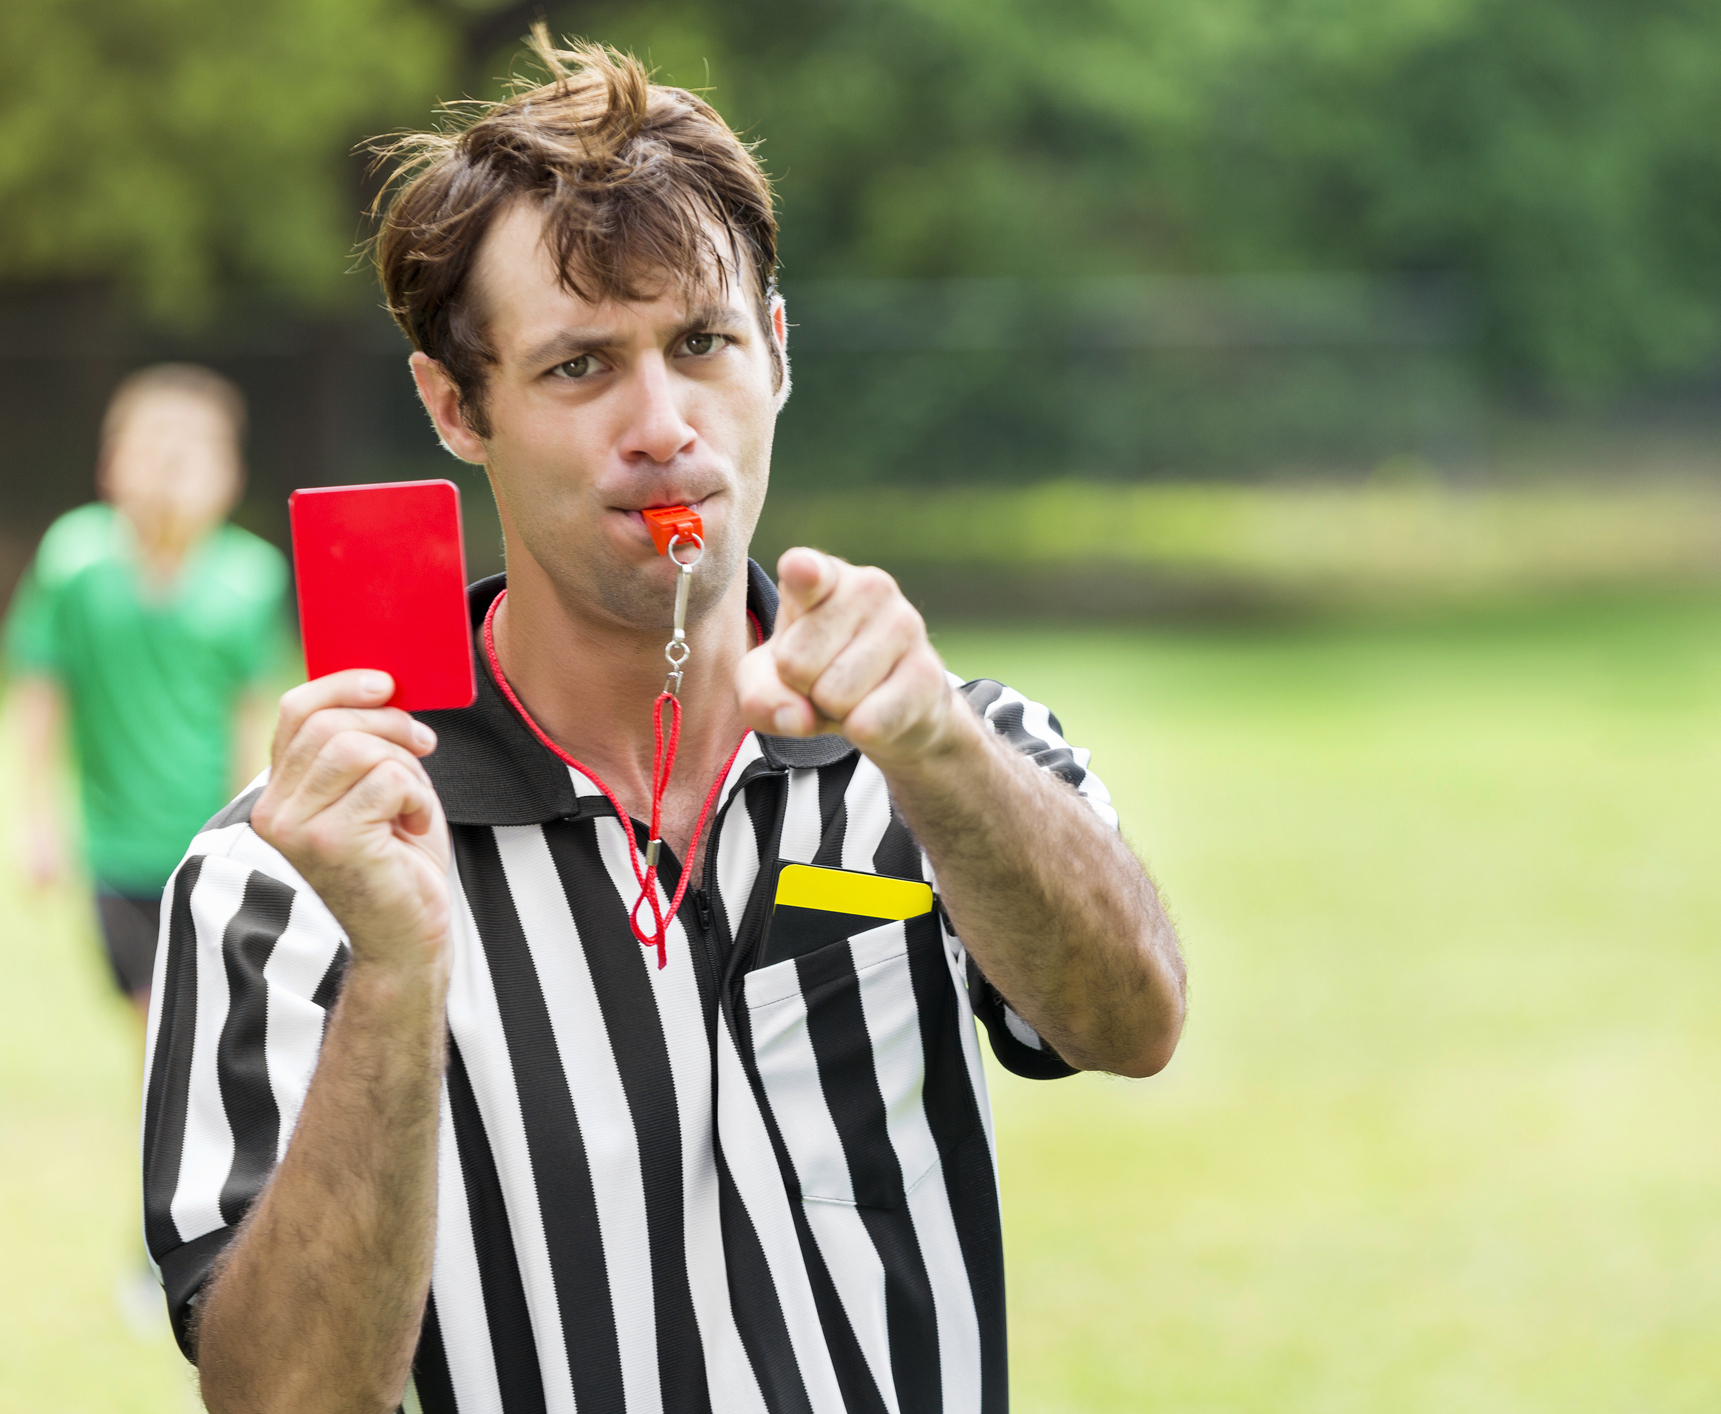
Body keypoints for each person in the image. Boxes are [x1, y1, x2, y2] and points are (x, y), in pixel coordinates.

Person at [140, 29, 1185, 1414]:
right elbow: (280, 1399)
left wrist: (936, 748)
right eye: (581, 368)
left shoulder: (945, 751)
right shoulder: (279, 875)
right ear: (456, 405)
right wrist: (394, 976)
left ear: (779, 353)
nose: (663, 424)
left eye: (702, 344)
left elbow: (1129, 1022)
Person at [8, 363, 285, 1030]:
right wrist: (38, 822)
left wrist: (254, 832)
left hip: (208, 841)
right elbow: (41, 690)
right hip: (114, 847)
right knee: (157, 1012)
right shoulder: (73, 562)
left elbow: (250, 716)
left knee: (195, 1009)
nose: (171, 470)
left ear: (231, 474)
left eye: (193, 453)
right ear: (111, 465)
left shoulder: (251, 577)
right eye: (154, 449)